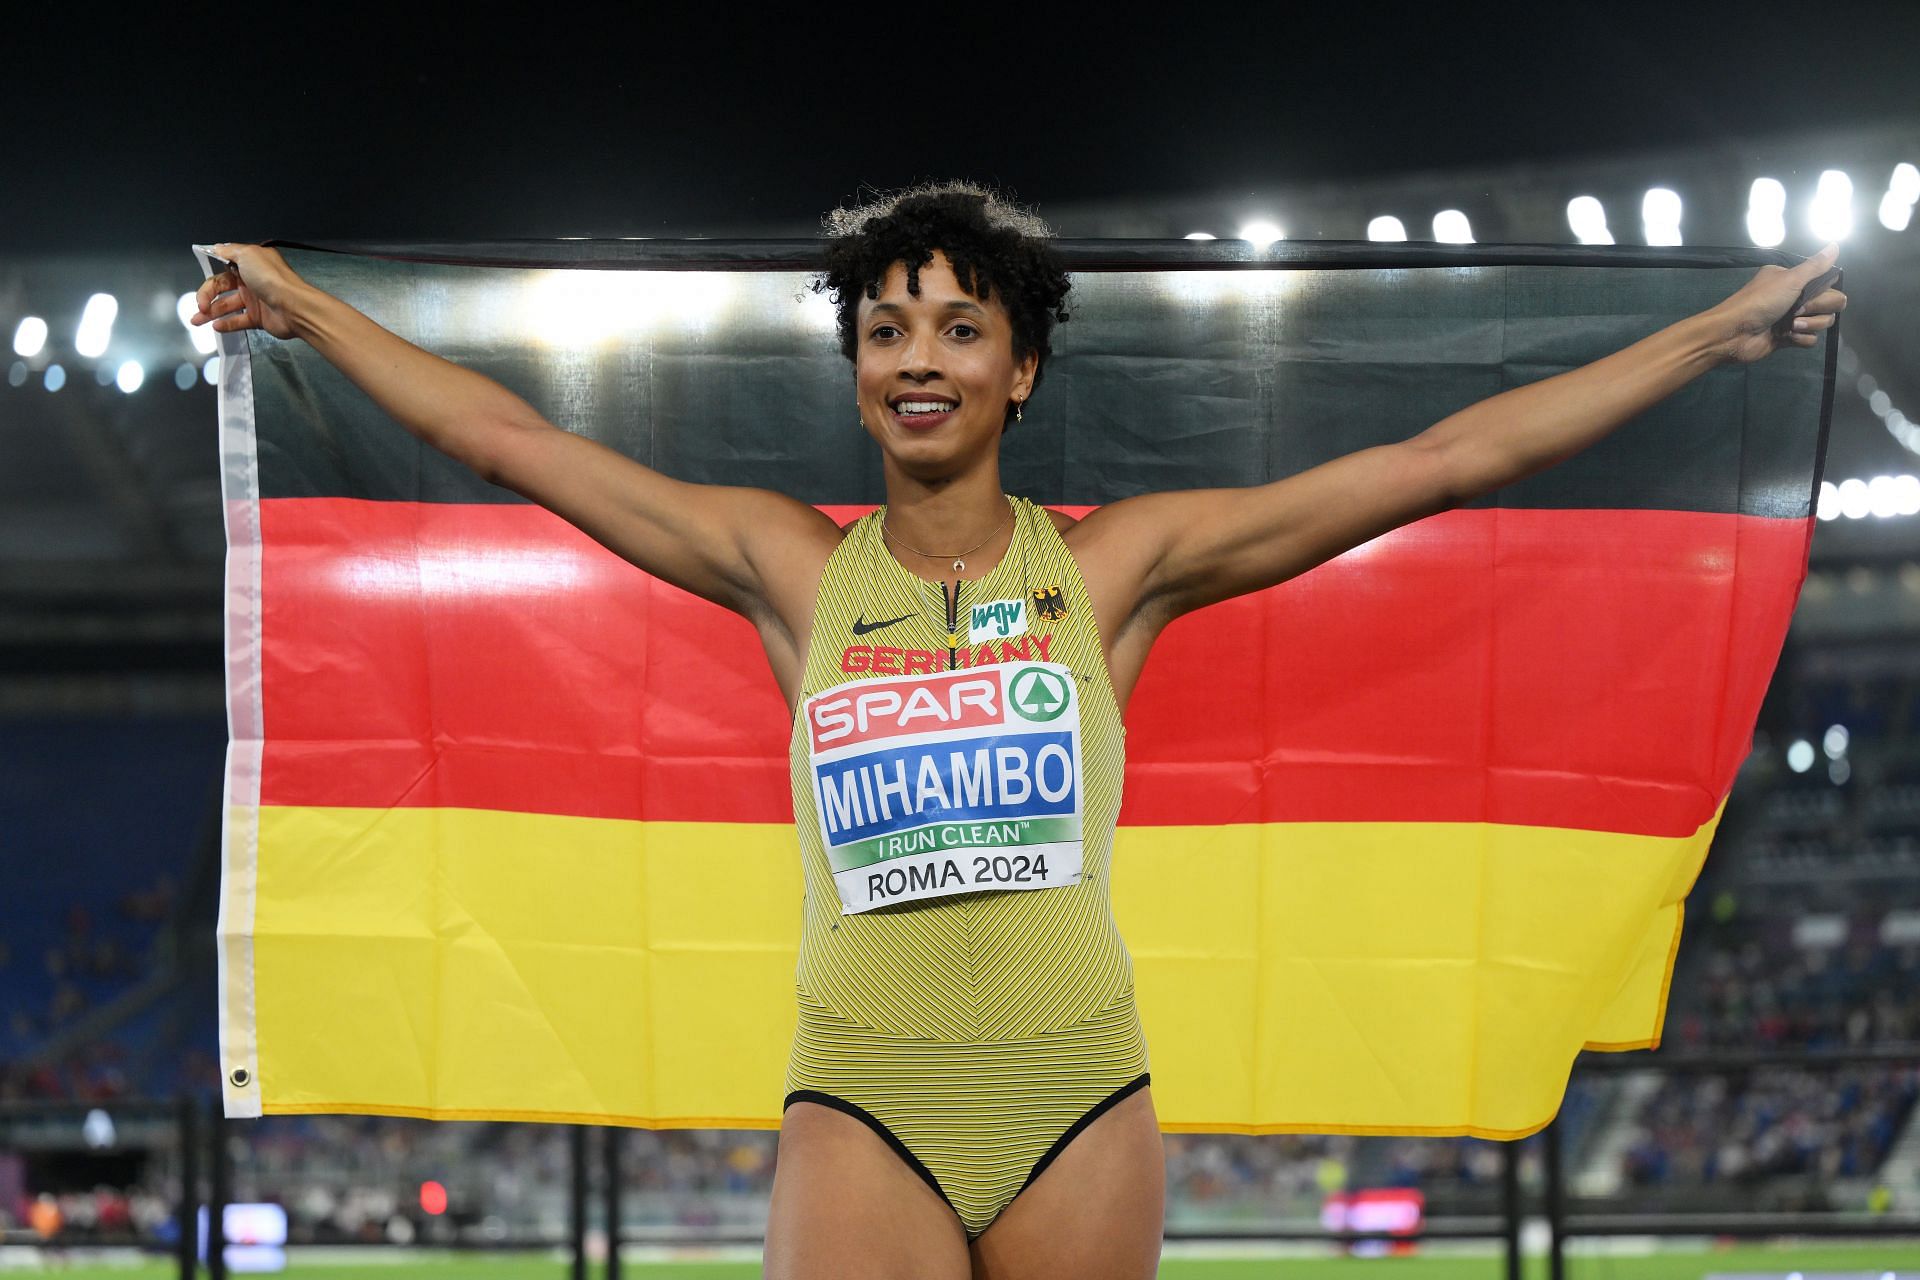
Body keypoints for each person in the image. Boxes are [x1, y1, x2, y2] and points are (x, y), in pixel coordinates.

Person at [193, 181, 1845, 1280]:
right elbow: (503, 441)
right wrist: (302, 309)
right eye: (888, 331)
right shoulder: (788, 568)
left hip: (1078, 1097)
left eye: (959, 329)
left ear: (1022, 367)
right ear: (855, 369)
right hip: (863, 1097)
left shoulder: (1118, 567)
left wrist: (1719, 332)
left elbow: (1436, 467)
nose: (921, 360)